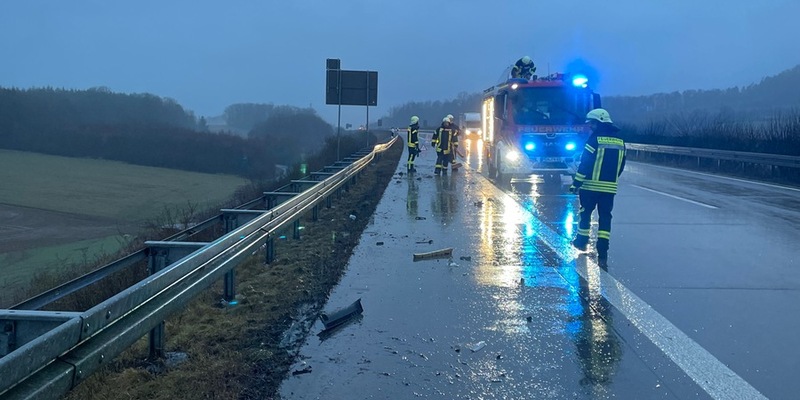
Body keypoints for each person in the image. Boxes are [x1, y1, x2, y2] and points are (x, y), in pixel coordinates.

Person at [570, 108, 626, 269]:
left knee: (585, 213)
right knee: (605, 218)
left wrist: (576, 184)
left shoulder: (594, 141)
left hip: (590, 187)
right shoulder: (620, 141)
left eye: (592, 123)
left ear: (599, 123)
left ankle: (581, 242)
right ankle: (603, 250)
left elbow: (585, 165)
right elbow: (621, 166)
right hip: (609, 188)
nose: (590, 127)